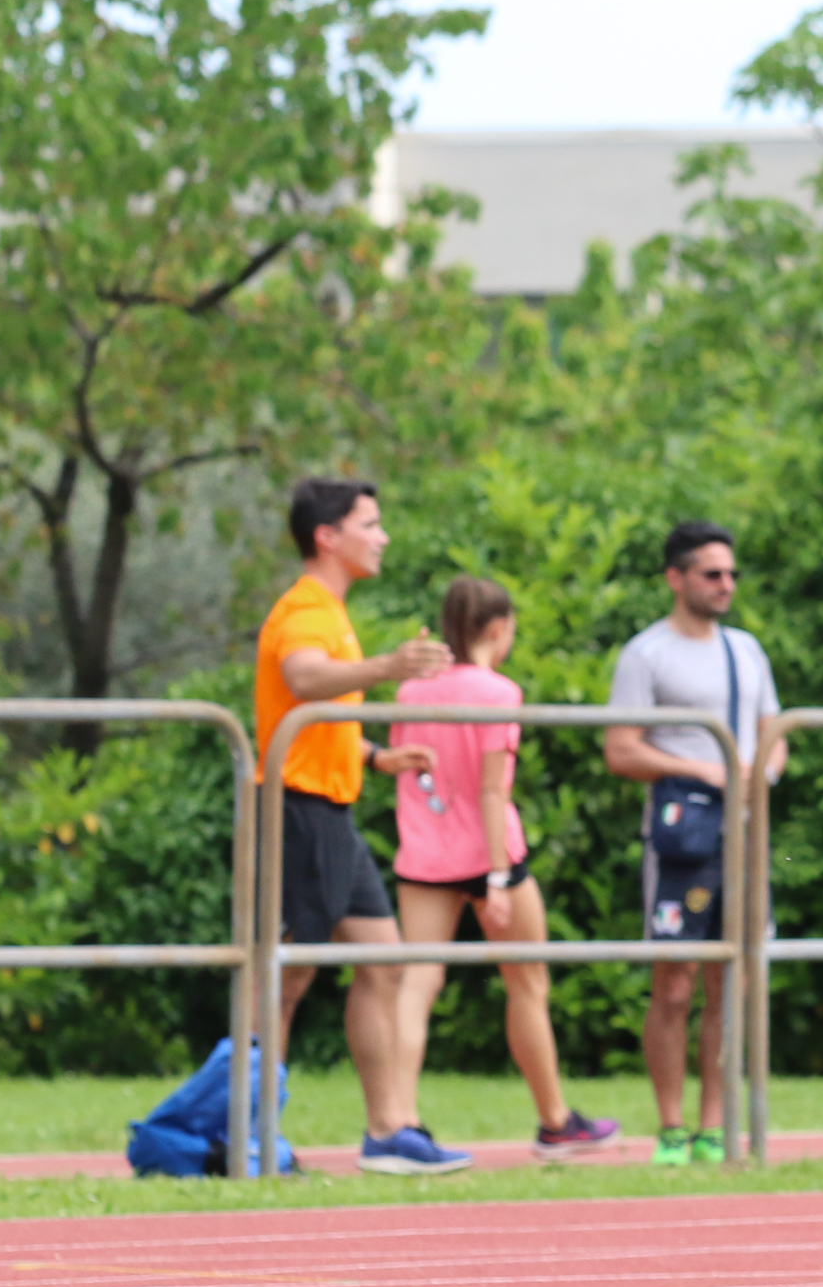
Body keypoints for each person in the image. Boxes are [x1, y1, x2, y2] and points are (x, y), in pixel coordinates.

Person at [256, 478, 470, 1176]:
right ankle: (250, 1131)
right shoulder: (305, 610)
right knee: (285, 977)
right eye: (370, 524)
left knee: (383, 960)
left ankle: (387, 1132)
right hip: (297, 808)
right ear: (328, 536)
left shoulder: (332, 610)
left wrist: (376, 756)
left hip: (332, 812)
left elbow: (320, 715)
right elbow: (304, 678)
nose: (382, 537)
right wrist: (388, 666)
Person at [391, 576, 620, 1162]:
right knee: (527, 986)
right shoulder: (499, 692)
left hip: (426, 853)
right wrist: (496, 877)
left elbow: (410, 769)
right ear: (498, 628)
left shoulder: (411, 689)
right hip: (492, 855)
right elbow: (493, 791)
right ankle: (554, 1122)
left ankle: (398, 1121)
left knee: (417, 982)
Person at [604, 519, 784, 1167]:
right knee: (674, 984)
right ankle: (671, 1127)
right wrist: (707, 770)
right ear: (675, 578)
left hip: (744, 835)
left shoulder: (746, 650)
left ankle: (714, 1125)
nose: (725, 584)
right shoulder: (645, 654)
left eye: (731, 573)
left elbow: (774, 735)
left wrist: (761, 772)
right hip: (682, 837)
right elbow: (620, 749)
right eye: (712, 573)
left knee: (731, 984)